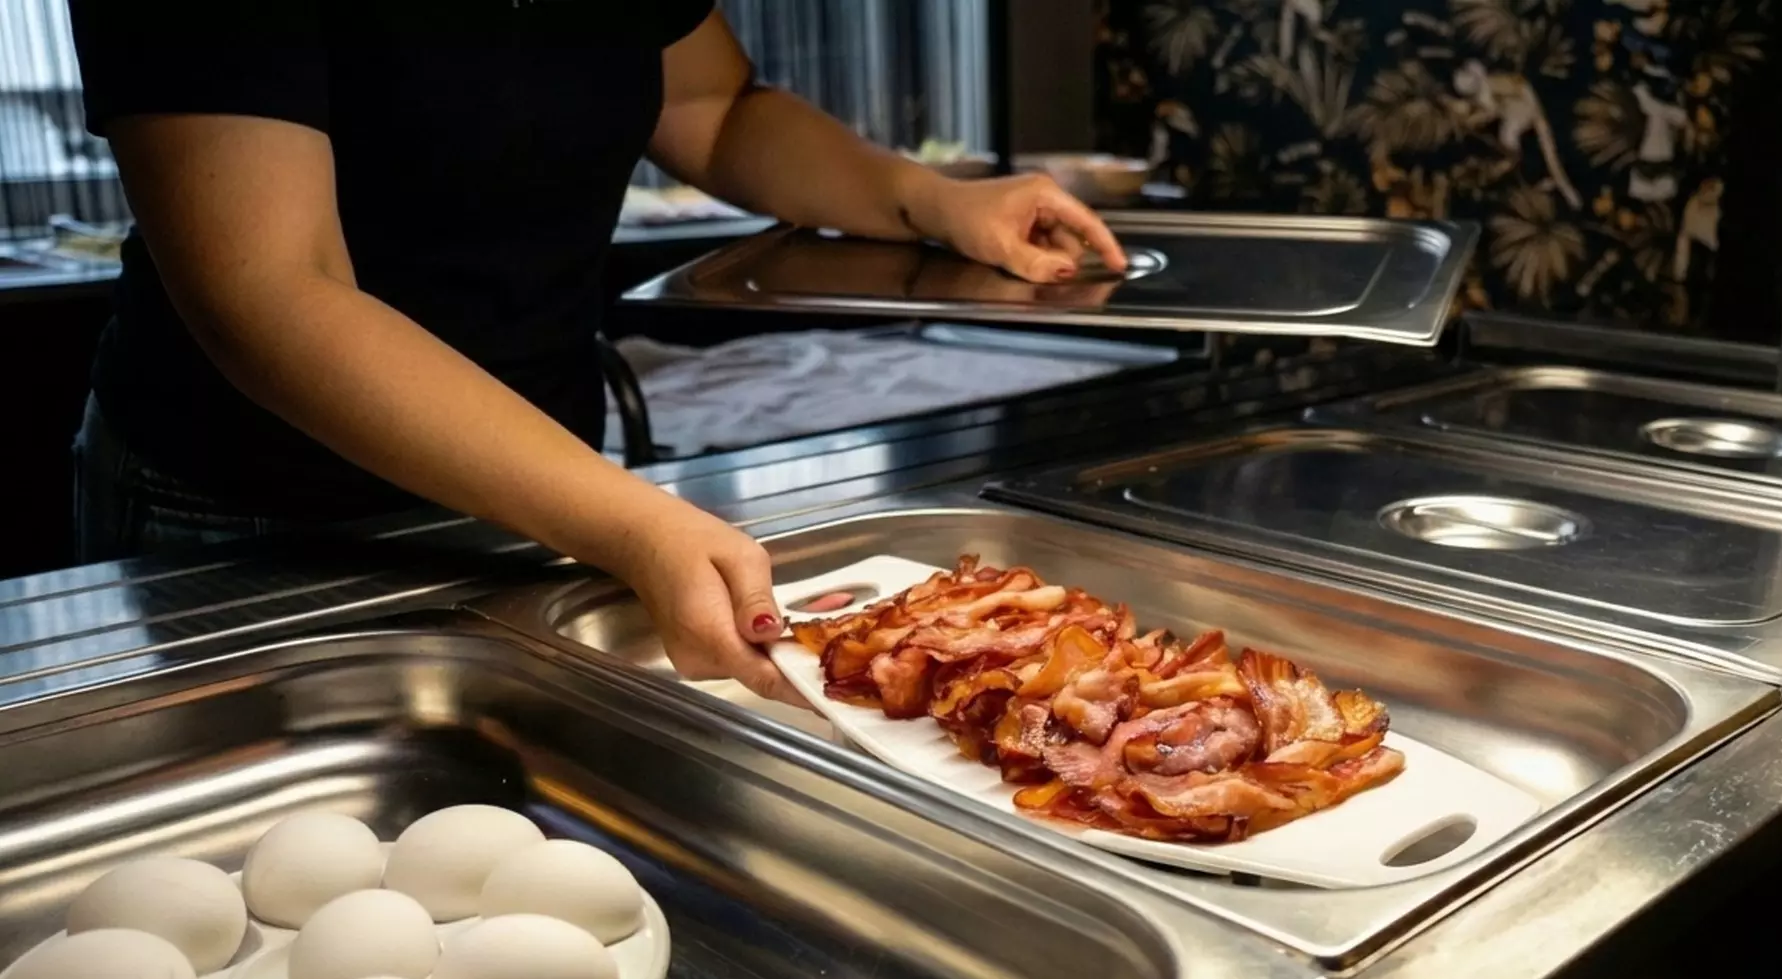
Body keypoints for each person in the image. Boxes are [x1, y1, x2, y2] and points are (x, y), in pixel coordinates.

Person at [65, 1, 1127, 704]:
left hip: (543, 479)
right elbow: (269, 292)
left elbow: (709, 106)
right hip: (255, 506)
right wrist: (628, 518)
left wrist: (930, 198)